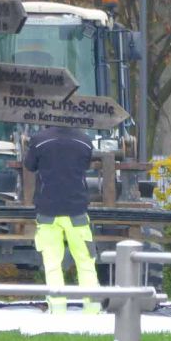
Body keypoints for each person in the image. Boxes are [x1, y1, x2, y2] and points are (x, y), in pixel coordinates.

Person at [23, 125, 100, 315]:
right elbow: (86, 166)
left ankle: (57, 309)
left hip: (48, 210)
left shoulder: (39, 140)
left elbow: (29, 165)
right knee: (85, 260)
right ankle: (92, 309)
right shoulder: (85, 141)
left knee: (52, 263)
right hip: (77, 210)